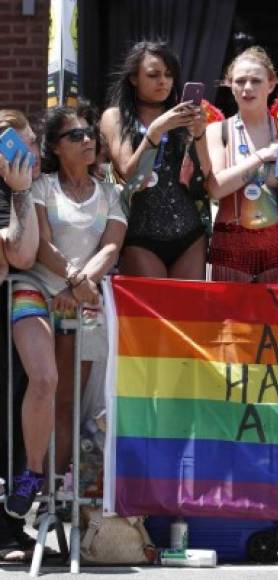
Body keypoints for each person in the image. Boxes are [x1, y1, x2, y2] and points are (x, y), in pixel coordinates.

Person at [4, 103, 127, 520]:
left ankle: (53, 500)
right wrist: (73, 279)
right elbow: (40, 245)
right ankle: (32, 475)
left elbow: (111, 246)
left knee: (70, 402)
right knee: (44, 382)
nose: (88, 139)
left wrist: (79, 287)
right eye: (75, 136)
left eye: (90, 132)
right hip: (36, 287)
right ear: (56, 148)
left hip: (85, 297)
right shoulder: (40, 186)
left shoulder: (111, 192)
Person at [101, 41, 209, 280]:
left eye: (169, 75)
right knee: (151, 313)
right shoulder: (115, 117)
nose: (163, 81)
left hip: (189, 232)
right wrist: (155, 132)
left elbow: (206, 174)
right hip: (140, 234)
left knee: (187, 314)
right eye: (153, 75)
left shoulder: (181, 116)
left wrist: (200, 134)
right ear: (133, 78)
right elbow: (131, 175)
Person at [205, 46, 278, 283]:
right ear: (230, 84)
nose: (247, 88)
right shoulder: (218, 130)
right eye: (240, 81)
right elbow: (216, 189)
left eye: (256, 81)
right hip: (232, 244)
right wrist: (261, 156)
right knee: (231, 320)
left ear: (272, 84)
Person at [0, 110, 40, 559]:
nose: (27, 152)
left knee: (12, 416)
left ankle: (10, 529)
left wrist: (21, 193)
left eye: (31, 143)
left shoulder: (27, 189)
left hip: (12, 310)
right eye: (16, 143)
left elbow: (21, 255)